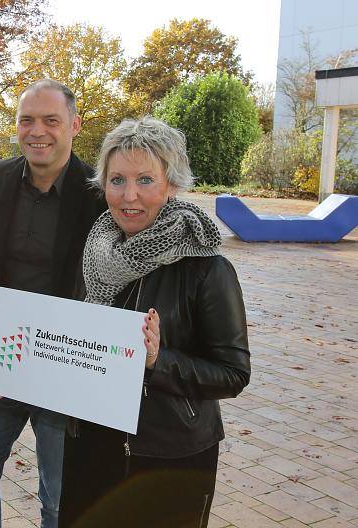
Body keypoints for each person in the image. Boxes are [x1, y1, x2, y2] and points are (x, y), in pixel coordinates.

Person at [58, 117, 251, 527]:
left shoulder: (207, 269)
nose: (129, 195)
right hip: (90, 445)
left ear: (172, 185)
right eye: (117, 180)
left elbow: (233, 374)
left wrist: (157, 361)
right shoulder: (95, 254)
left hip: (169, 457)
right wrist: (22, 369)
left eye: (145, 180)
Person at [0, 79, 106, 528]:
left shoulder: (99, 192)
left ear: (75, 125)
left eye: (51, 120)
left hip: (64, 363)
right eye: (27, 120)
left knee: (59, 496)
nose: (37, 131)